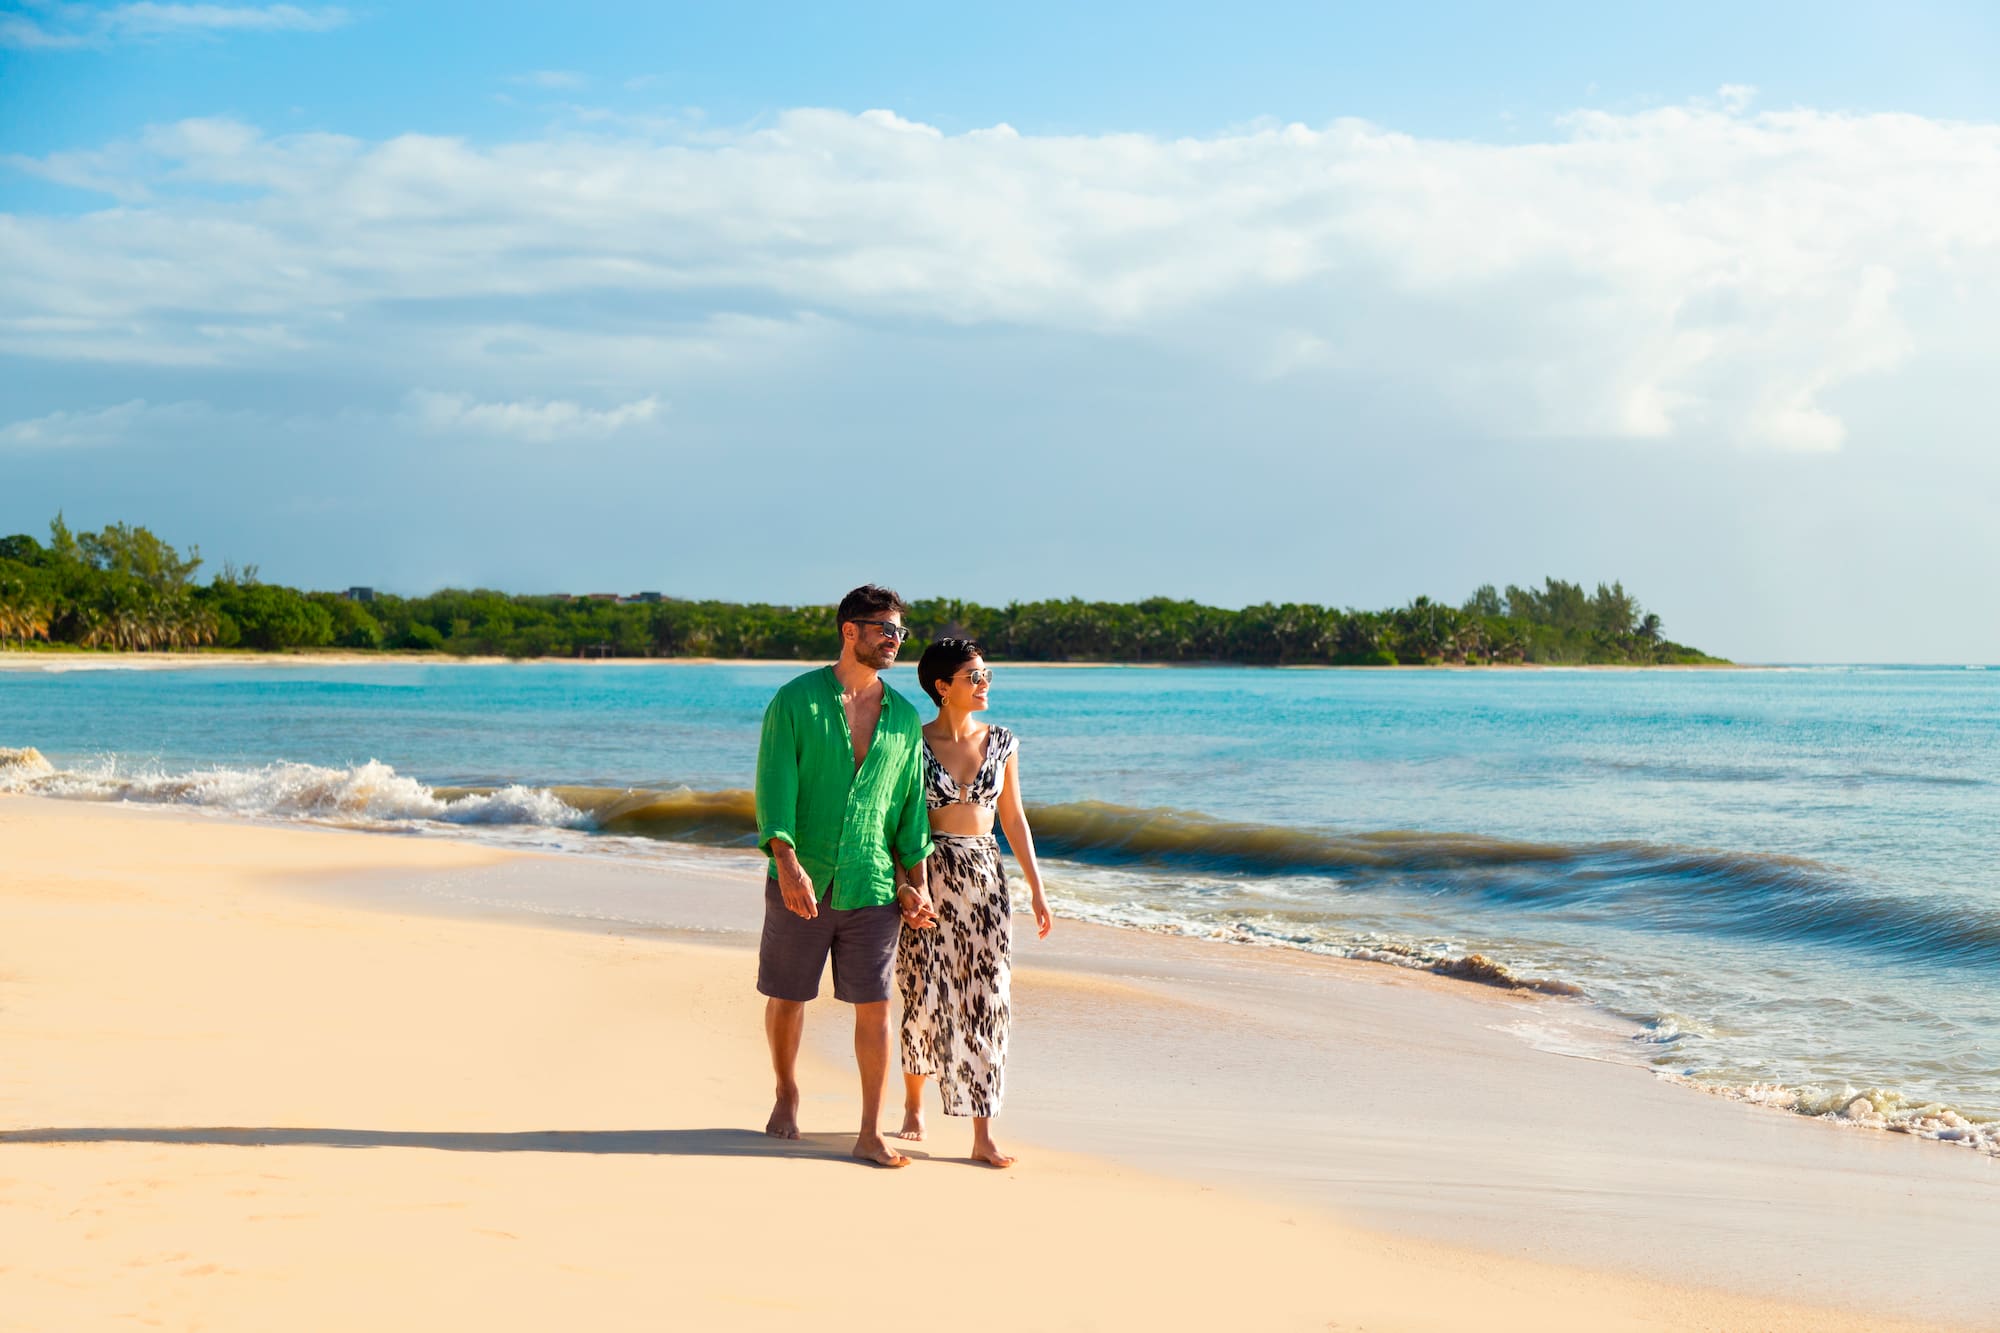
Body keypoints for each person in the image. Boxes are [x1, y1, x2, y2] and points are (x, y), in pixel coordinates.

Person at [754, 585, 937, 1168]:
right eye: (883, 628)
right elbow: (774, 788)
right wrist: (787, 863)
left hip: (874, 882)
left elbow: (909, 810)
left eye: (900, 631)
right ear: (849, 631)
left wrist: (917, 881)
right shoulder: (795, 701)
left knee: (876, 1006)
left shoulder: (905, 718)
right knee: (787, 996)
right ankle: (786, 1091)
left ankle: (869, 1130)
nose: (894, 639)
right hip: (802, 875)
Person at [893, 637, 1052, 1168]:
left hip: (985, 879)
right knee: (924, 990)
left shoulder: (1002, 741)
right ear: (942, 687)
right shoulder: (910, 744)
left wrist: (1037, 886)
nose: (985, 684)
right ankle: (915, 1104)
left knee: (988, 1000)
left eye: (987, 675)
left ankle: (983, 1134)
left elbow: (1013, 818)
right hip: (930, 873)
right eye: (974, 676)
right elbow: (895, 824)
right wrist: (905, 884)